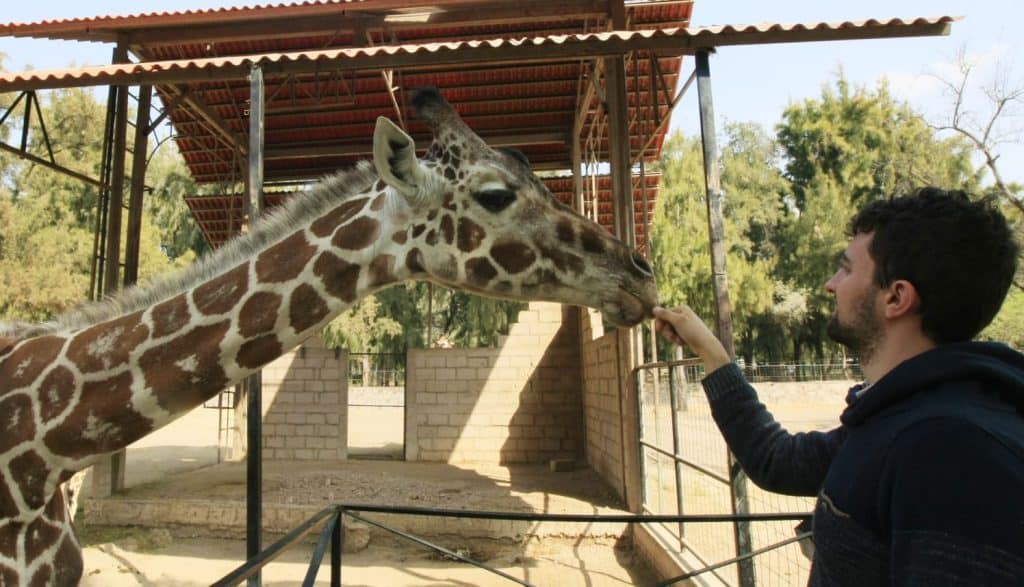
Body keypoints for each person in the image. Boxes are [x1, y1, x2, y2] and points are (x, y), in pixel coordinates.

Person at [652, 187, 1024, 586]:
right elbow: (777, 461)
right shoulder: (897, 420)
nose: (831, 284)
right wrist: (710, 351)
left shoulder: (956, 453)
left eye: (846, 270)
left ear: (896, 297)